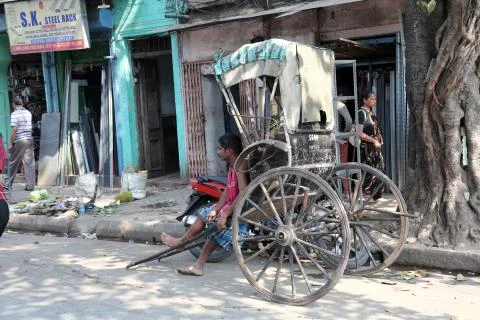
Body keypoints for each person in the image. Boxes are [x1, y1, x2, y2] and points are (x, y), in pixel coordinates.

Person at [161, 133, 248, 276]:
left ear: (229, 151)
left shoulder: (240, 165)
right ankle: (182, 242)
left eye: (220, 149)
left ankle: (197, 264)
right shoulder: (232, 164)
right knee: (204, 215)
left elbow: (244, 191)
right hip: (229, 205)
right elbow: (227, 189)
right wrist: (217, 209)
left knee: (215, 230)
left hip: (239, 208)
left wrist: (225, 214)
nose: (217, 151)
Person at [3, 97, 35, 195]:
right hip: (29, 140)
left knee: (12, 163)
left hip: (20, 141)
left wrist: (10, 143)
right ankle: (30, 185)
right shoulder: (28, 113)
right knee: (29, 163)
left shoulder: (14, 114)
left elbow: (14, 130)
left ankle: (7, 186)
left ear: (14, 104)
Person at [356, 91, 384, 197]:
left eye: (375, 99)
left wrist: (379, 137)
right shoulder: (361, 113)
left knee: (379, 169)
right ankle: (364, 193)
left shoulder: (371, 113)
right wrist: (373, 140)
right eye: (371, 99)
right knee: (370, 172)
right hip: (367, 148)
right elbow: (359, 133)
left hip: (375, 147)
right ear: (364, 100)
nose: (374, 101)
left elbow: (375, 129)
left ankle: (374, 194)